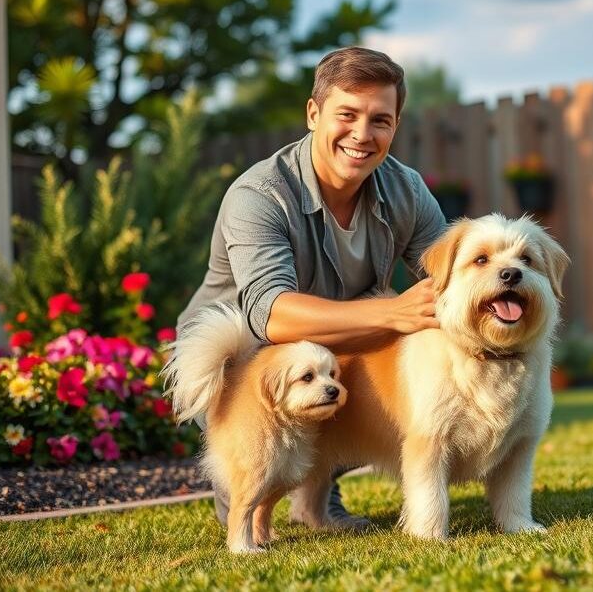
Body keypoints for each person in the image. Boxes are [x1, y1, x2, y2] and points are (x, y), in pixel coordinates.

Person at [177, 46, 447, 527]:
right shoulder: (259, 196)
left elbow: (448, 279)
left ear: (395, 126)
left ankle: (317, 499)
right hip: (239, 364)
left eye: (380, 120)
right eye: (347, 114)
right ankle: (252, 489)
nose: (362, 135)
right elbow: (270, 315)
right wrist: (392, 314)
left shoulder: (406, 190)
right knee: (254, 496)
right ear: (313, 113)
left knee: (366, 372)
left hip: (331, 354)